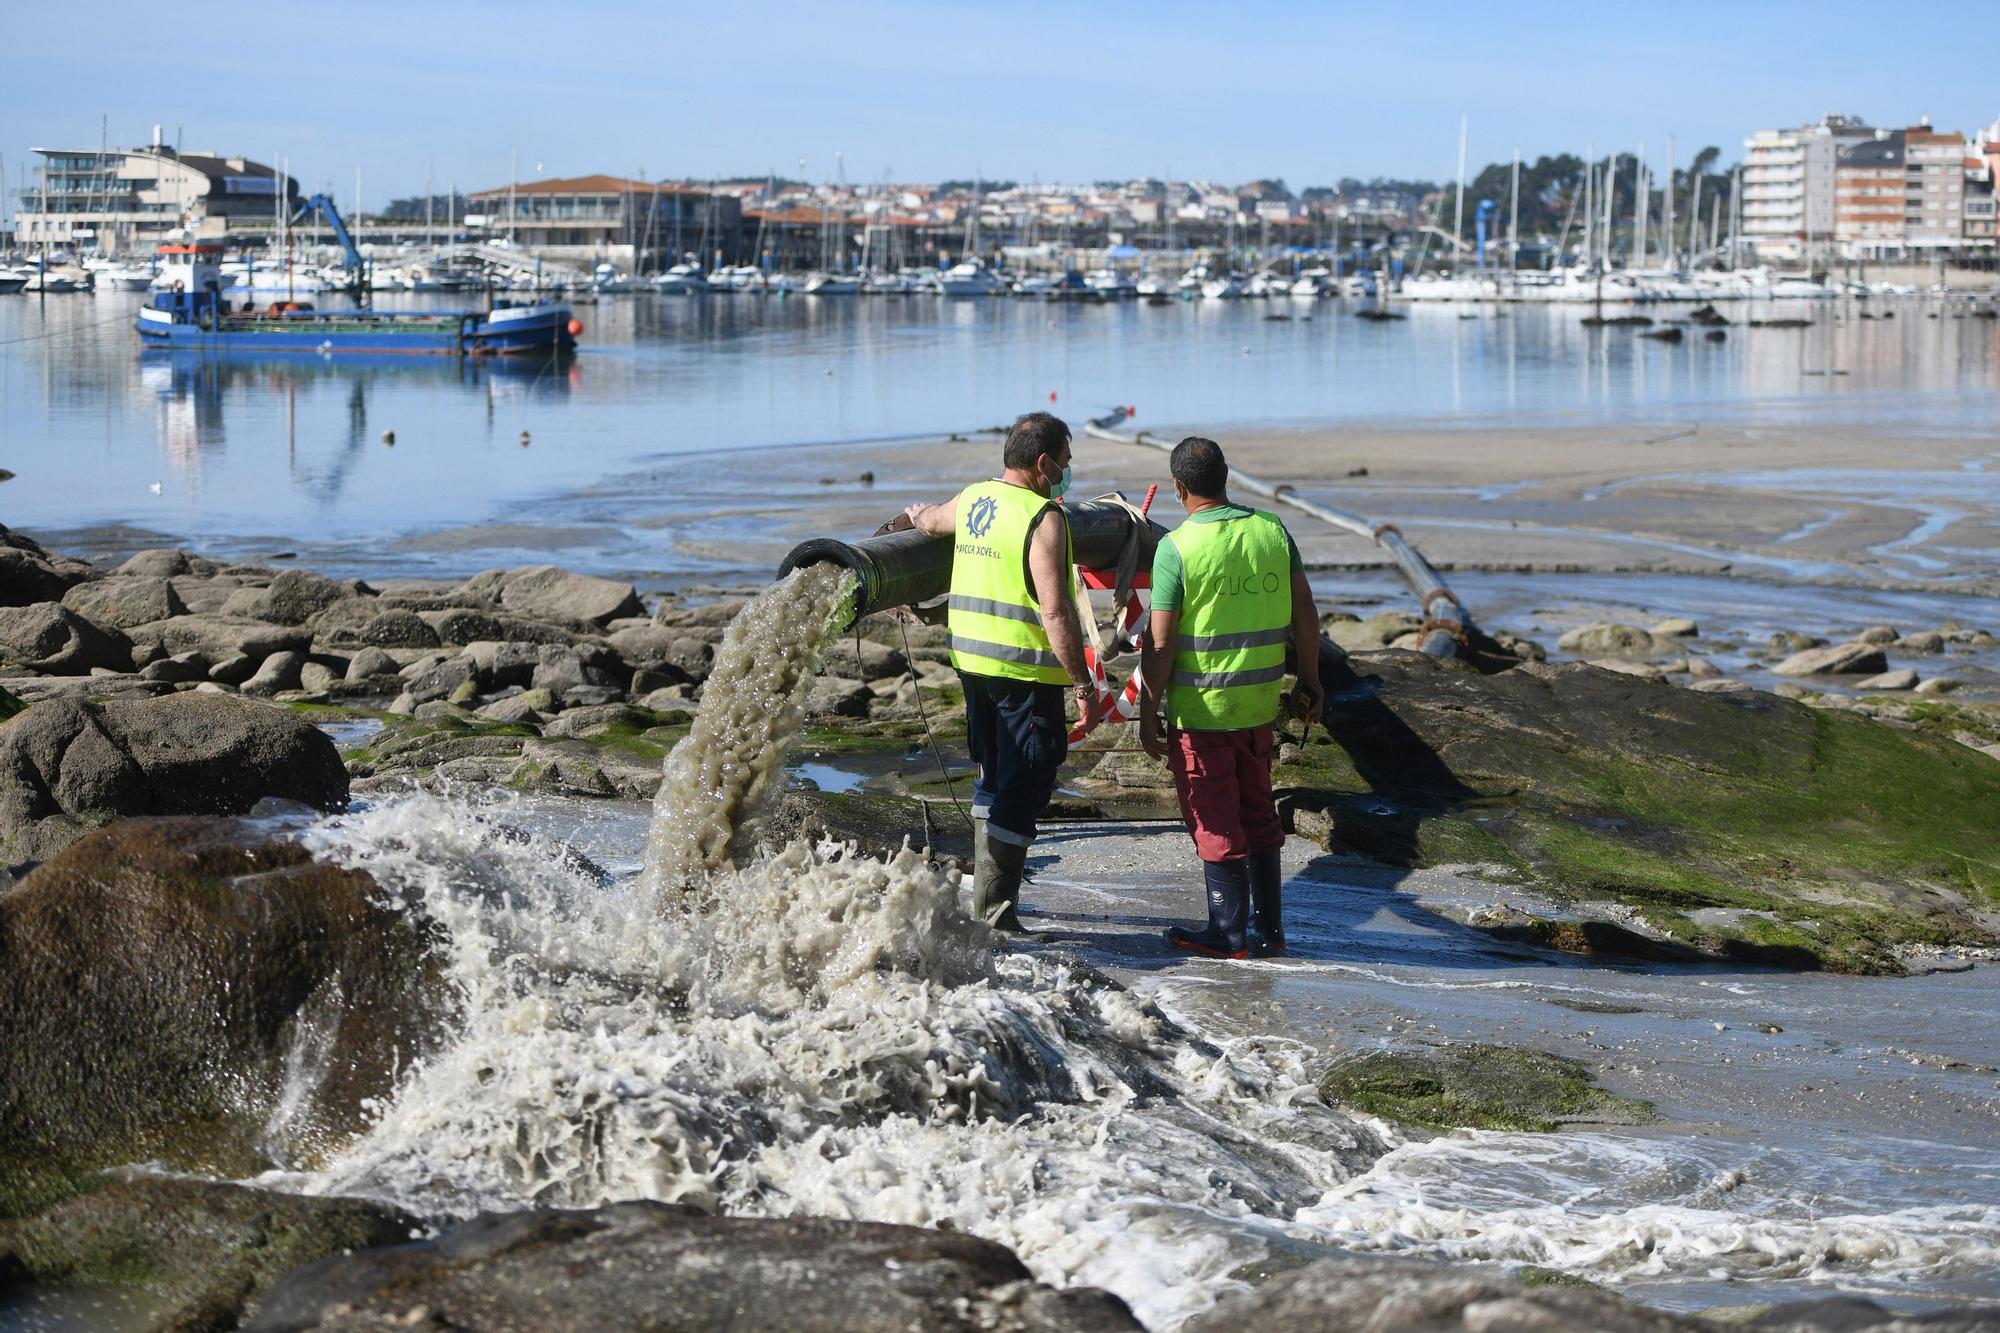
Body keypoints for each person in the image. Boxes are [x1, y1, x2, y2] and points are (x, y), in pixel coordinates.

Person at [904, 412, 1100, 934]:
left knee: (992, 776)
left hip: (972, 667)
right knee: (1026, 783)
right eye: (1066, 461)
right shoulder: (1044, 518)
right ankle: (995, 915)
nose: (1067, 471)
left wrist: (914, 514)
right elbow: (1056, 611)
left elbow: (931, 521)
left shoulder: (973, 499)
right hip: (1024, 676)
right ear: (1043, 463)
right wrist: (1082, 683)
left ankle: (988, 908)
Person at [1140, 436, 1323, 959]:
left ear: (1178, 488)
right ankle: (1269, 930)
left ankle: (1228, 933)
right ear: (1227, 476)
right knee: (1259, 812)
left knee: (1215, 818)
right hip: (1260, 706)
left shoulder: (1176, 549)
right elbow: (1304, 610)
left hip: (1202, 712)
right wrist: (1311, 678)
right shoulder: (1271, 531)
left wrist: (1146, 710)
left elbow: (1160, 643)